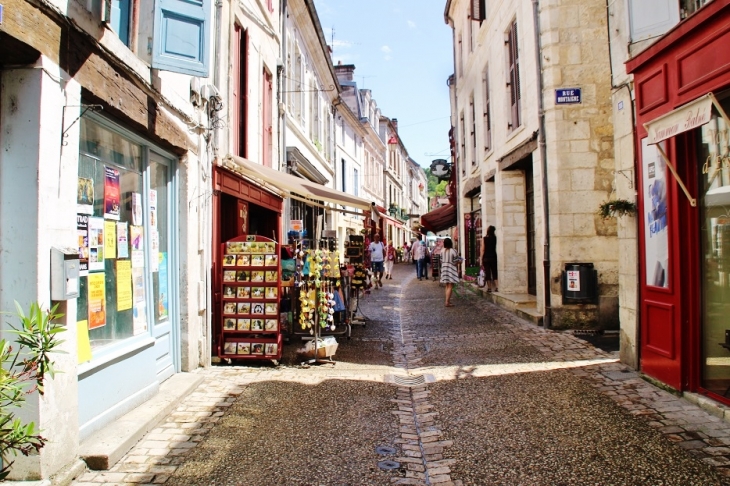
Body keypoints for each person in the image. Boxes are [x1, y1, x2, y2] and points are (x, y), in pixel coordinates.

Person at [440, 238, 461, 307]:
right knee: (450, 286)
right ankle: (447, 302)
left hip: (444, 268)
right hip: (450, 268)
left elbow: (440, 260)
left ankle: (447, 300)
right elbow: (456, 261)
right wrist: (460, 261)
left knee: (447, 285)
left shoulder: (442, 251)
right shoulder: (453, 251)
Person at [482, 225, 499, 292]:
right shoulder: (495, 238)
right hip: (493, 256)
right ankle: (497, 287)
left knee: (487, 272)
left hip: (486, 257)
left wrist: (481, 258)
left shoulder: (484, 238)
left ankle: (489, 288)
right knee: (494, 272)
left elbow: (483, 249)